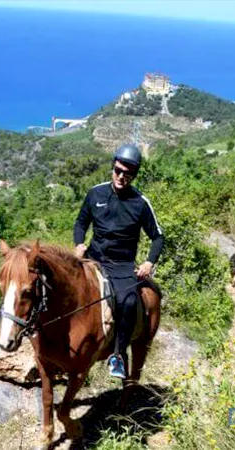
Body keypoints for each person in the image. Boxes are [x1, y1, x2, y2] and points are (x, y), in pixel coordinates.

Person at [73, 143, 164, 379]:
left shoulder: (140, 203)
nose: (121, 176)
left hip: (122, 265)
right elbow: (81, 223)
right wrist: (79, 244)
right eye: (118, 170)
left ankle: (119, 356)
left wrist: (148, 263)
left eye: (127, 173)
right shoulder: (96, 193)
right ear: (112, 167)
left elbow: (158, 237)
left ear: (134, 174)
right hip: (93, 258)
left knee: (129, 301)